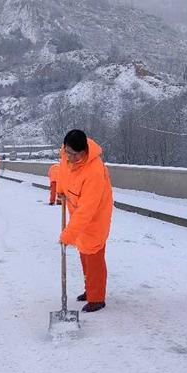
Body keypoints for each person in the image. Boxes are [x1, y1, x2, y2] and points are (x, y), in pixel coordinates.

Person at [58, 130, 113, 313]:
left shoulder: (94, 171)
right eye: (67, 152)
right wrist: (61, 189)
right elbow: (63, 171)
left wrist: (68, 235)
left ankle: (97, 297)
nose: (69, 157)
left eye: (74, 154)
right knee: (83, 251)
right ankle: (89, 288)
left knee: (93, 254)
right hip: (78, 214)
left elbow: (87, 210)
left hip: (95, 217)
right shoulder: (67, 155)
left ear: (84, 152)